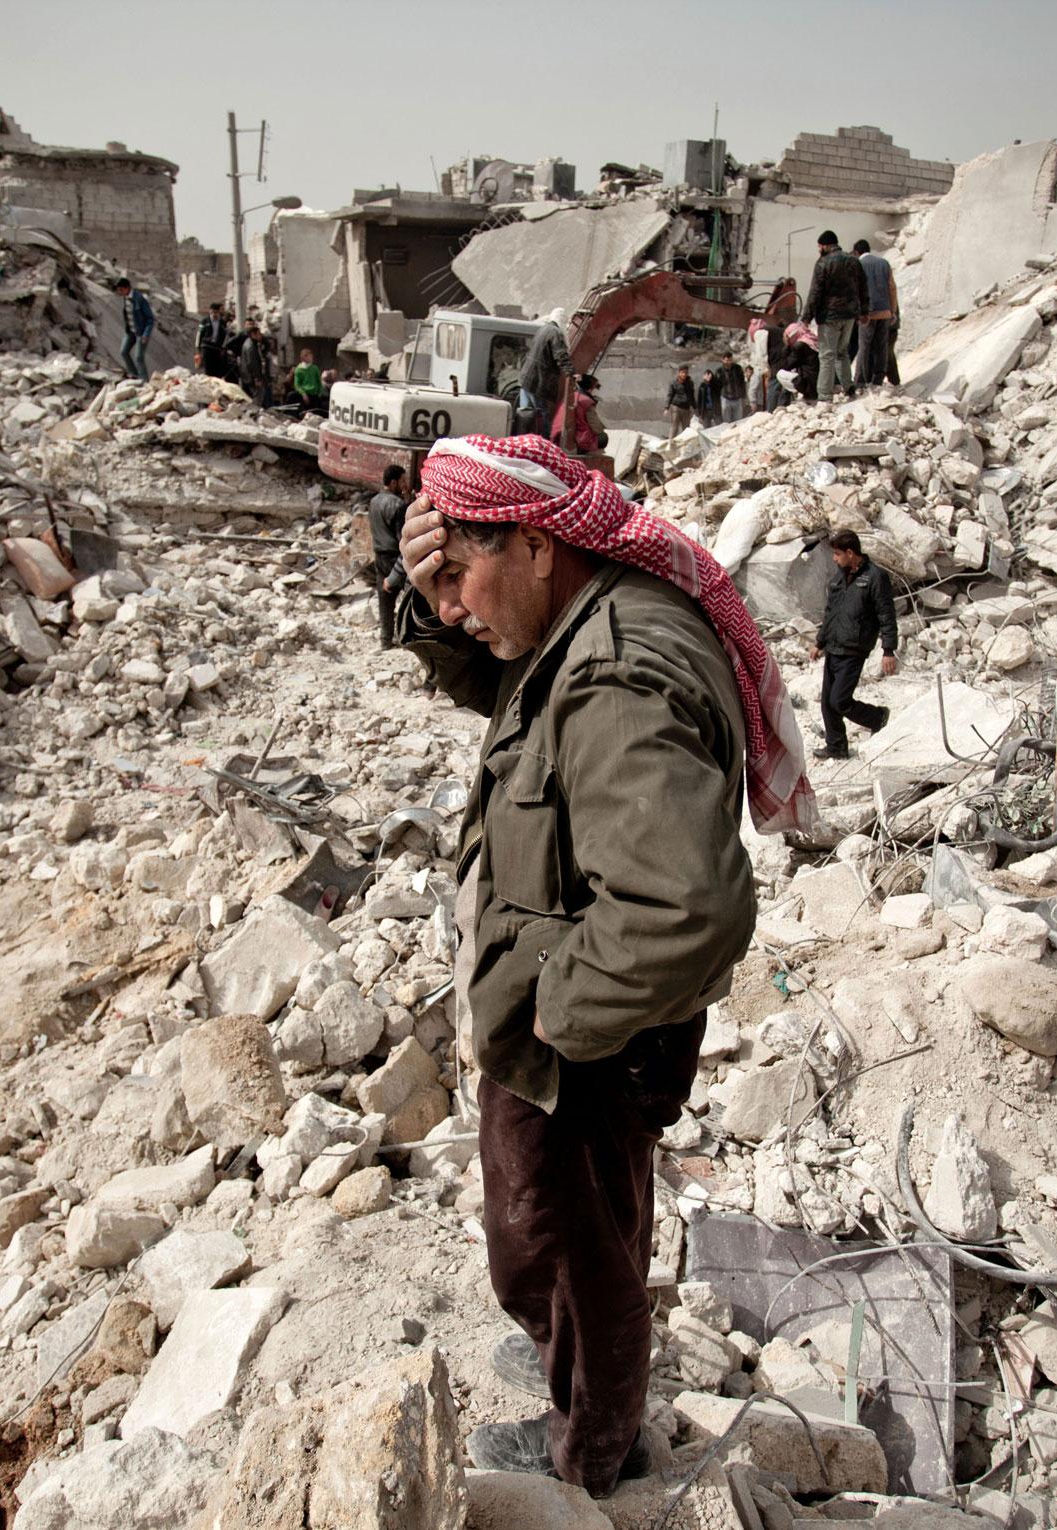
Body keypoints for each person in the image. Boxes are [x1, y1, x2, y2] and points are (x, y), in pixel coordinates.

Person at [394, 433, 812, 1497]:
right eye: (433, 586)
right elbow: (506, 684)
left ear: (535, 545)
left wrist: (551, 1019)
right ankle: (573, 1364)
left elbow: (686, 906)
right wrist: (418, 592)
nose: (449, 609)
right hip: (587, 1017)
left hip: (581, 1034)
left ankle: (592, 1450)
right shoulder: (577, 615)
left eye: (459, 577)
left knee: (559, 1243)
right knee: (585, 1230)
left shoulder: (617, 667)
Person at [809, 529, 897, 760]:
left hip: (854, 649)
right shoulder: (839, 577)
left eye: (838, 554)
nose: (834, 559)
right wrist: (820, 642)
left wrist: (888, 650)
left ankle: (877, 717)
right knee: (828, 704)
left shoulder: (875, 577)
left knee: (839, 700)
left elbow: (886, 614)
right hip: (834, 646)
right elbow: (831, 613)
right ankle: (836, 747)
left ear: (851, 552)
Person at [801, 230, 867, 402]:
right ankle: (848, 387)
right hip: (850, 315)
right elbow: (863, 288)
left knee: (827, 355)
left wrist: (806, 318)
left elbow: (815, 292)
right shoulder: (853, 261)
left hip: (830, 316)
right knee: (842, 352)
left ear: (824, 245)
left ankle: (824, 396)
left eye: (819, 246)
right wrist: (864, 312)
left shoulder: (823, 263)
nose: (818, 249)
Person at [368, 463, 410, 648]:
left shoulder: (374, 500)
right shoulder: (396, 505)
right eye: (403, 480)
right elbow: (404, 539)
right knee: (409, 598)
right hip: (396, 558)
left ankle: (385, 640)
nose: (405, 484)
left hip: (379, 556)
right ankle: (409, 638)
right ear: (394, 482)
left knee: (385, 602)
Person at [520, 308, 574, 440]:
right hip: (539, 381)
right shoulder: (555, 333)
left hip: (525, 379)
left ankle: (522, 441)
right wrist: (571, 373)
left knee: (525, 415)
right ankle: (544, 445)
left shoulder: (542, 330)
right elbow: (560, 355)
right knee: (541, 416)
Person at [853, 239, 897, 391]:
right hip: (884, 312)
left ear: (856, 252)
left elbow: (855, 290)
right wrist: (892, 310)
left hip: (867, 314)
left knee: (864, 347)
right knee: (881, 347)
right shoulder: (884, 263)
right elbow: (892, 288)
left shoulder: (858, 265)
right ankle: (878, 380)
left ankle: (860, 380)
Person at [113, 278, 155, 380]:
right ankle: (134, 375)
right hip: (131, 332)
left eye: (121, 290)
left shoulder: (139, 299)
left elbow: (150, 319)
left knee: (138, 358)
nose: (120, 292)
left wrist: (146, 334)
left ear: (127, 288)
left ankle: (144, 381)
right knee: (123, 352)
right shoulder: (125, 297)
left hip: (141, 333)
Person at [570, 373, 609, 453]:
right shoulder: (587, 402)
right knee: (603, 437)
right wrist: (602, 430)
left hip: (573, 433)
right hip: (583, 437)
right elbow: (595, 425)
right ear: (590, 388)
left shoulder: (572, 396)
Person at [197, 302, 232, 377]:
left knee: (217, 370)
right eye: (212, 312)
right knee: (207, 369)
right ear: (210, 312)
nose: (214, 314)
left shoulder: (222, 323)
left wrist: (223, 348)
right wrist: (198, 348)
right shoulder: (204, 321)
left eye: (216, 312)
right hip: (206, 347)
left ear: (219, 312)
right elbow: (199, 334)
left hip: (217, 348)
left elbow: (226, 336)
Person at [665, 364, 696, 434]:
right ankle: (671, 443)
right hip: (676, 407)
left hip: (686, 408)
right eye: (682, 372)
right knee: (674, 427)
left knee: (686, 428)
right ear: (679, 372)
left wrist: (694, 407)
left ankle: (685, 444)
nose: (684, 374)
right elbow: (669, 395)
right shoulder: (673, 382)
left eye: (686, 372)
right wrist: (667, 407)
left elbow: (692, 396)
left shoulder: (690, 383)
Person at [292, 347, 323, 412]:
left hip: (315, 395)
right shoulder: (299, 369)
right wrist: (303, 394)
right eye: (309, 357)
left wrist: (320, 393)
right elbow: (297, 384)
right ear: (304, 358)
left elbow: (319, 381)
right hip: (305, 394)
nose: (311, 358)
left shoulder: (315, 368)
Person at [718, 353, 746, 422]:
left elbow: (742, 382)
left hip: (737, 398)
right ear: (723, 360)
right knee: (727, 422)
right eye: (726, 360)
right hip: (726, 398)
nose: (728, 362)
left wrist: (743, 395)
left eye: (730, 360)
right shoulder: (719, 371)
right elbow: (717, 386)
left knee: (738, 421)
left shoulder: (737, 368)